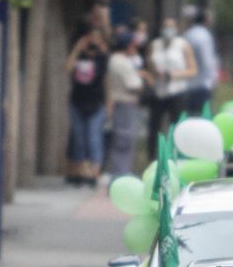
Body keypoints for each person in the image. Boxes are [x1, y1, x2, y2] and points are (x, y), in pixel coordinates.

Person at [64, 26, 109, 186]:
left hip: (96, 103)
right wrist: (77, 48)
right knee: (78, 139)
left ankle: (94, 173)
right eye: (91, 37)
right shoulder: (79, 55)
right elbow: (67, 68)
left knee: (93, 138)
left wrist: (109, 104)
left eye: (97, 38)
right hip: (78, 102)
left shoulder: (102, 58)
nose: (93, 41)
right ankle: (80, 172)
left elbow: (106, 81)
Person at [146, 17, 197, 151]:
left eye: (171, 27)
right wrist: (153, 75)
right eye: (166, 27)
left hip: (177, 91)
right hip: (158, 91)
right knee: (154, 127)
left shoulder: (183, 45)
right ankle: (153, 154)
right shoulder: (154, 45)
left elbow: (193, 70)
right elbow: (149, 66)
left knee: (178, 126)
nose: (168, 30)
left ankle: (178, 152)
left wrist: (173, 75)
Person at [104, 29, 147, 177]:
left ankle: (119, 174)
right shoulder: (123, 62)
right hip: (126, 104)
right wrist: (142, 81)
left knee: (121, 141)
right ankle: (120, 175)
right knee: (125, 142)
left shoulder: (113, 60)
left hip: (120, 104)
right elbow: (135, 85)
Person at [182, 5, 219, 115]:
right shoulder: (204, 35)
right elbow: (207, 61)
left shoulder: (188, 34)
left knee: (190, 115)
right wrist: (213, 78)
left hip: (188, 84)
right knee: (202, 116)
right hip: (203, 84)